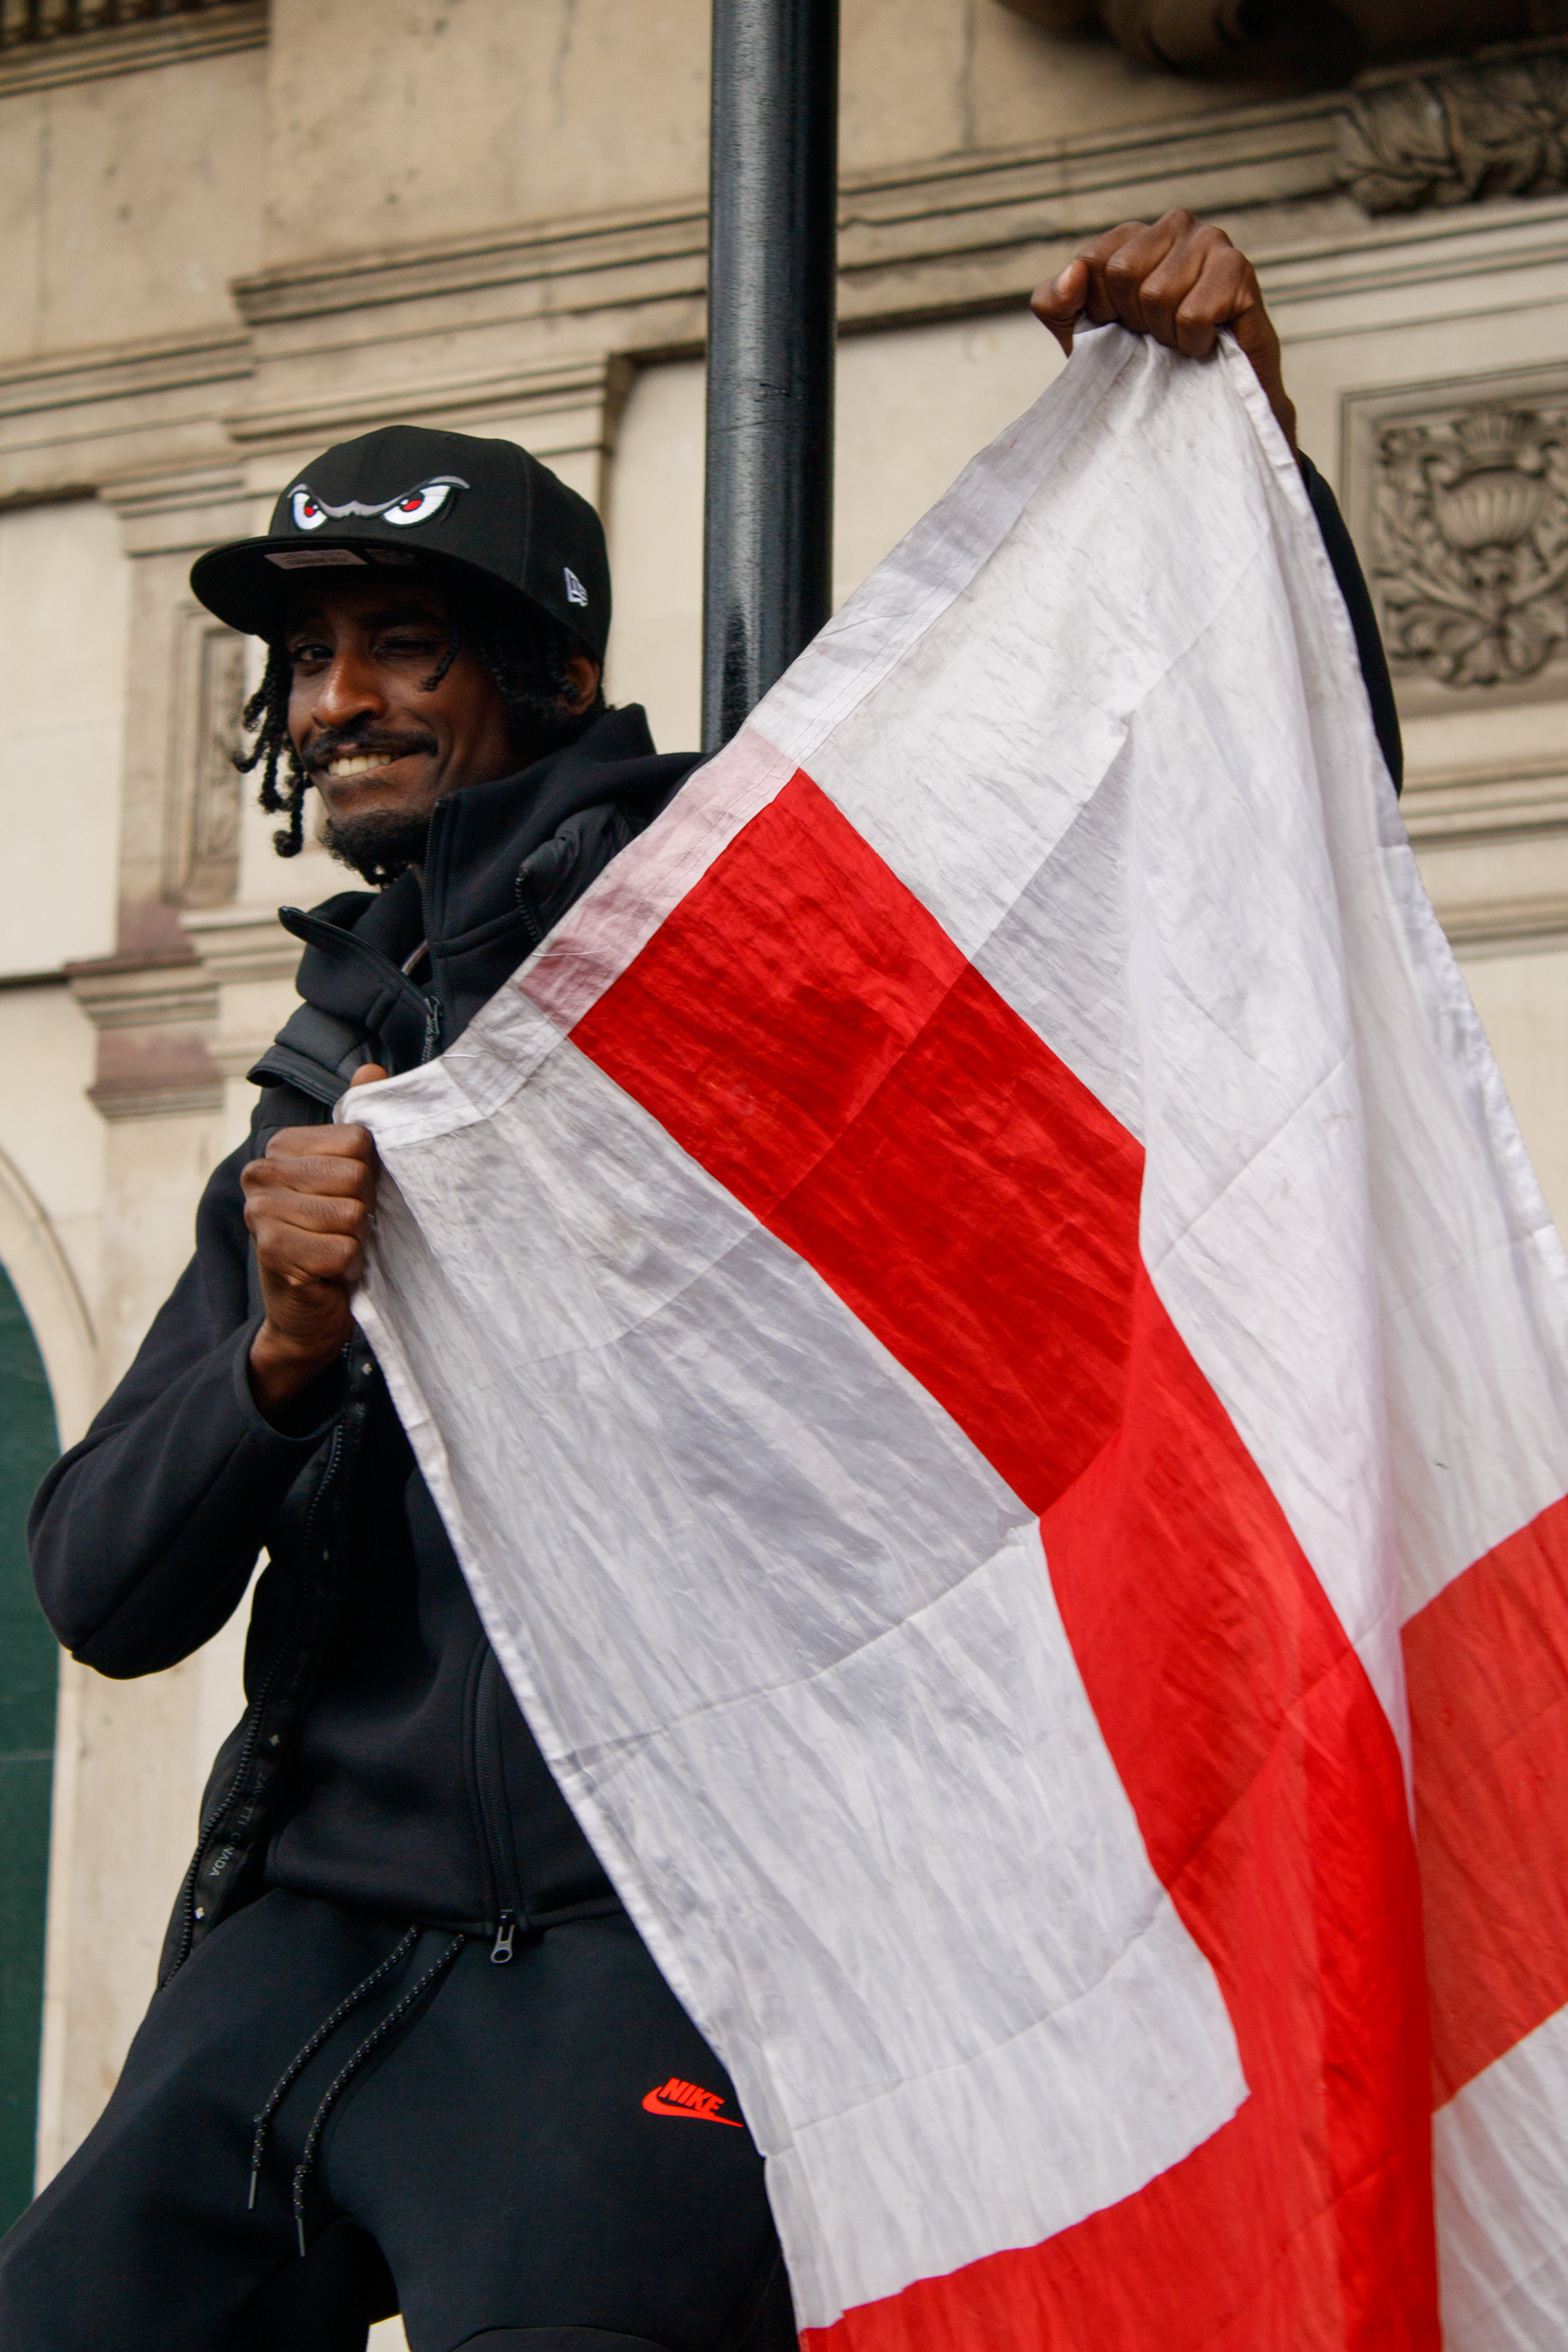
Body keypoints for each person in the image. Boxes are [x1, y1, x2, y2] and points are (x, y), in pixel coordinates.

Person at [1, 215, 1399, 2352]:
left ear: (553, 676)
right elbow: (101, 1590)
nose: (338, 699)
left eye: (404, 645)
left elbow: (1206, 897)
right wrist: (277, 1356)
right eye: (310, 658)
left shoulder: (740, 957)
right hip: (308, 1943)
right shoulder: (324, 1077)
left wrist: (1253, 458)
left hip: (656, 1949)